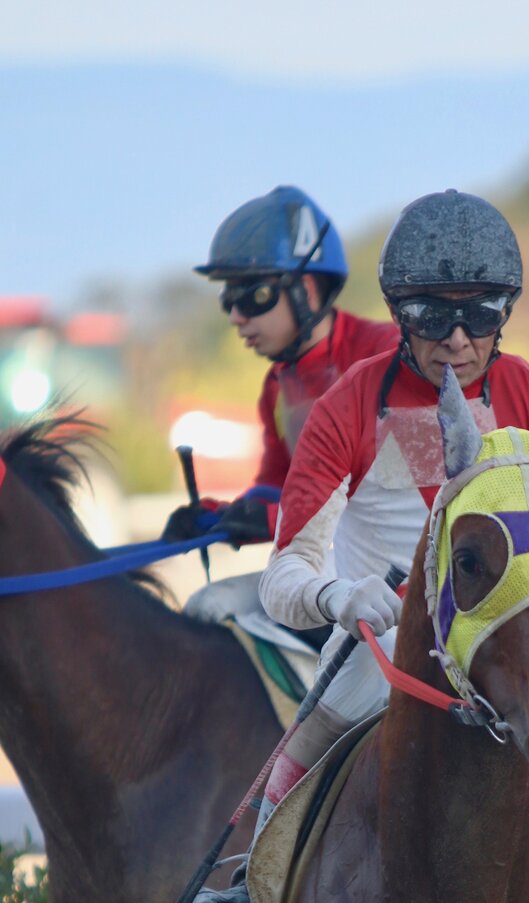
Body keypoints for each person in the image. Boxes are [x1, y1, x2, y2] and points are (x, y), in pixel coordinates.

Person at [194, 189, 529, 903]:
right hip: (388, 644)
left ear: (505, 313)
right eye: (428, 316)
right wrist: (338, 595)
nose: (455, 338)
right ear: (396, 313)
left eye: (479, 315)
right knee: (314, 726)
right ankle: (260, 888)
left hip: (501, 637)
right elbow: (286, 579)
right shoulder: (348, 405)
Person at [162, 185, 397, 613]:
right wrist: (218, 516)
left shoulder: (387, 355)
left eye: (252, 295)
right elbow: (278, 487)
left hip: (391, 569)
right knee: (206, 610)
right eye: (228, 299)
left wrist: (268, 521)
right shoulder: (276, 387)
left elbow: (382, 499)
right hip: (328, 568)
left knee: (216, 604)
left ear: (306, 290)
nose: (236, 317)